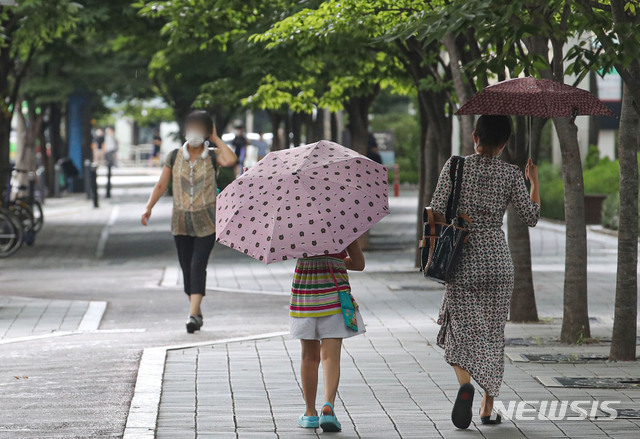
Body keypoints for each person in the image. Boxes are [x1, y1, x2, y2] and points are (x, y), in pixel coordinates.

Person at [430, 115, 540, 429]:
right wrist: (534, 182)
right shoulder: (511, 174)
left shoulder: (455, 167)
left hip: (462, 261)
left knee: (459, 330)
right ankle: (487, 407)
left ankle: (465, 383)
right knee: (493, 334)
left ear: (475, 136)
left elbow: (436, 208)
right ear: (505, 142)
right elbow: (531, 216)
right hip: (499, 263)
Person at [141, 110, 237, 333]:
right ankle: (197, 309)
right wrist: (148, 207)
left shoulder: (213, 156)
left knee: (197, 265)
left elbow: (231, 159)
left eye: (199, 128)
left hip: (207, 222)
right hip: (181, 222)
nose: (194, 132)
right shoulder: (174, 156)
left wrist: (214, 138)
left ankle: (193, 314)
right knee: (186, 268)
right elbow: (161, 185)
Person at [290, 239, 366, 433]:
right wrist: (337, 261)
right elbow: (359, 264)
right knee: (330, 356)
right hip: (333, 294)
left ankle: (309, 413)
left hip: (305, 295)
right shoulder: (343, 225)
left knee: (309, 356)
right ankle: (328, 406)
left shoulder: (295, 226)